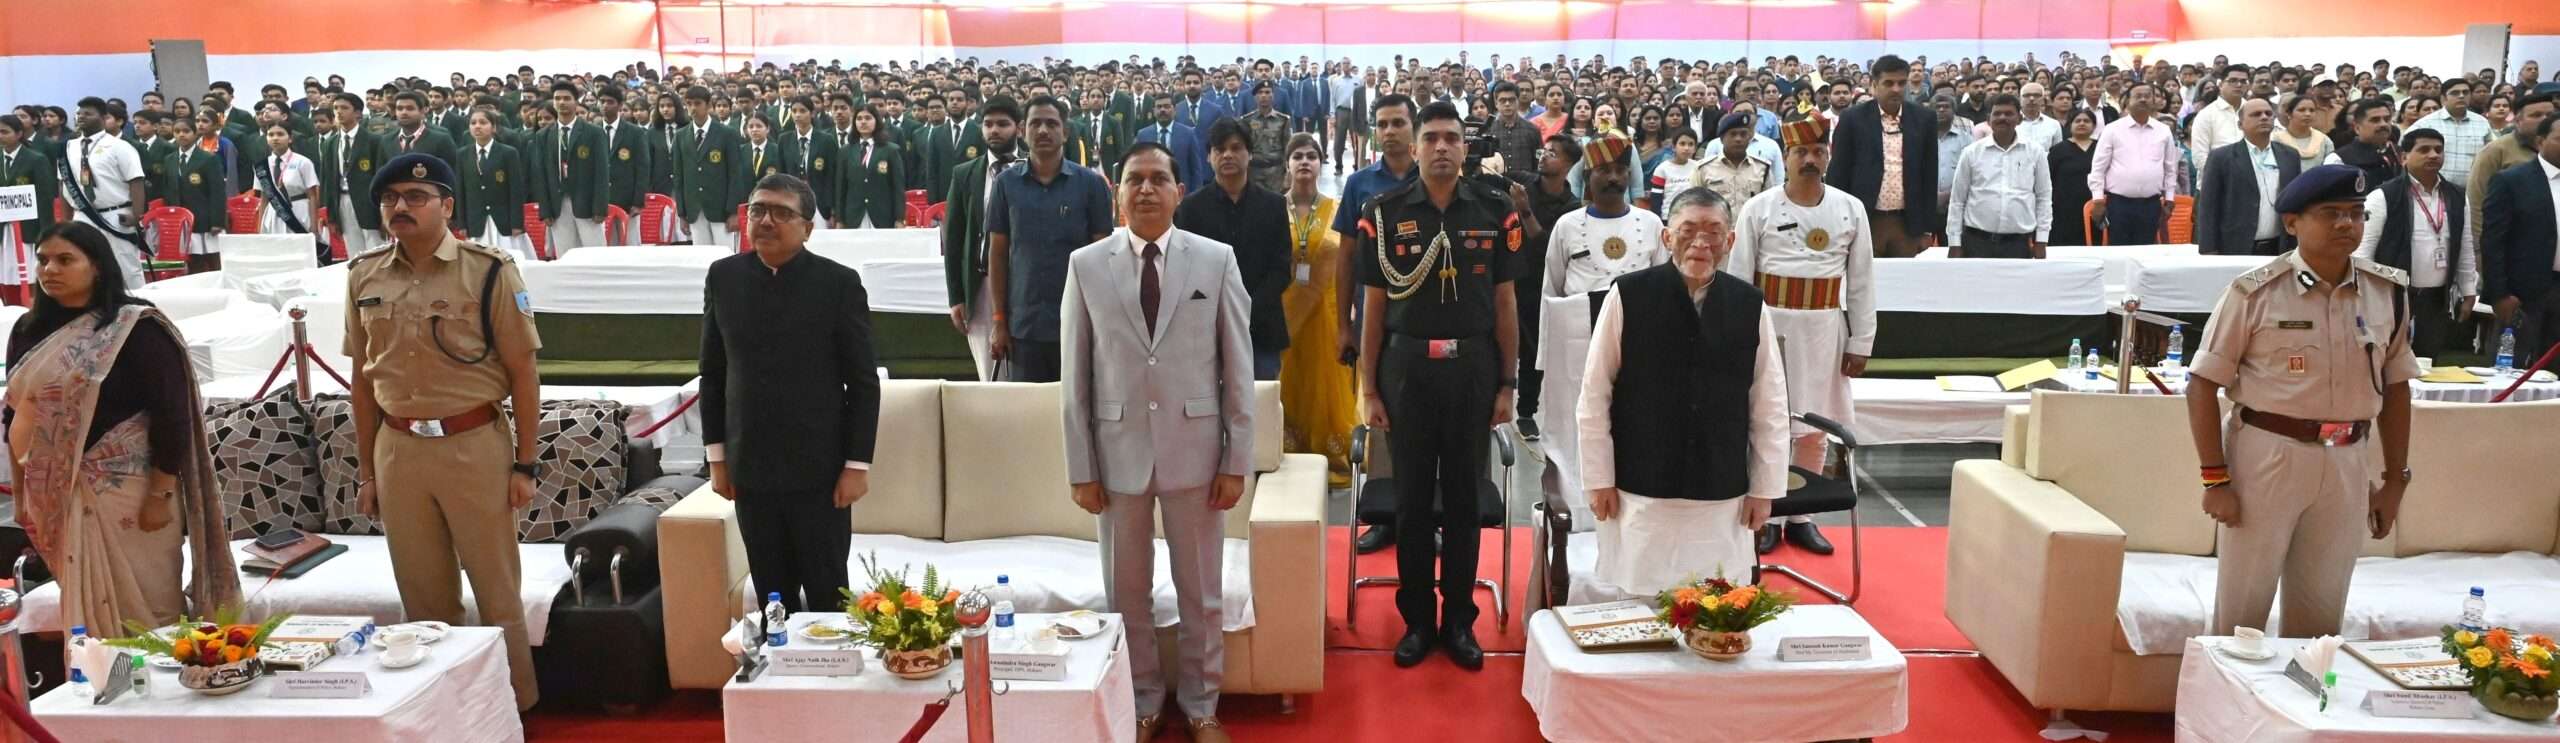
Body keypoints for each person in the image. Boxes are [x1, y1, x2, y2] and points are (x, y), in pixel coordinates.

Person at [1060, 141, 1253, 743]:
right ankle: (1142, 703)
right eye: (1134, 179)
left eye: (1157, 179)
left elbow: (1238, 368)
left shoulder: (1215, 260)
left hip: (1197, 454)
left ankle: (1201, 707)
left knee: (1201, 594)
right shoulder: (1086, 265)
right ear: (1117, 193)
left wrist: (1237, 458)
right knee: (1126, 595)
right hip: (1116, 455)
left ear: (1178, 191)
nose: (1145, 189)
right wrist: (1081, 467)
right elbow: (1075, 376)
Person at [342, 153, 543, 710]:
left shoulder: (489, 270)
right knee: (423, 600)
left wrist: (525, 464)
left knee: (497, 594)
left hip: (472, 445)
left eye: (415, 197)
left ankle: (516, 707)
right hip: (398, 450)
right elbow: (362, 381)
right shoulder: (363, 274)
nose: (400, 207)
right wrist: (367, 472)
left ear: (447, 205)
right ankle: (445, 712)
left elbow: (524, 372)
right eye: (390, 199)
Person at [2187, 164, 2418, 639]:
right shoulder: (2255, 291)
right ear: (2292, 223)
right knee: (2241, 612)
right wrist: (2215, 478)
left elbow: (2397, 388)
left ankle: (2304, 689)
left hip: (2348, 457)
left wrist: (2394, 480)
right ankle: (2226, 689)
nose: (2346, 224)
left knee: (2321, 620)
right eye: (2330, 213)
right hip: (2269, 456)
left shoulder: (2386, 292)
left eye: (2356, 213)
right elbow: (2202, 384)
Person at [3, 222, 240, 637]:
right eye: (43, 260)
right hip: (56, 497)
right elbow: (15, 418)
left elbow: (172, 416)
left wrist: (159, 495)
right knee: (86, 622)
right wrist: (23, 496)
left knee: (152, 614)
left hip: (134, 495)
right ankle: (95, 676)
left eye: (64, 260)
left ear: (97, 266)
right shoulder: (28, 331)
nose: (49, 270)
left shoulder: (137, 328)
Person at [1355, 100, 1521, 672]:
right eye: (1432, 138)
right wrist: (1369, 388)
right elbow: (1373, 308)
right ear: (1415, 147)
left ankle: (1459, 621)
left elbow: (1505, 303)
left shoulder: (1494, 209)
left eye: (1452, 137)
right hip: (1407, 371)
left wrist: (1507, 383)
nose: (1442, 147)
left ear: (1465, 147)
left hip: (1472, 370)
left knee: (1464, 501)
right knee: (1412, 503)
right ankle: (1418, 621)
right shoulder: (1384, 213)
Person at [1576, 186, 1790, 603]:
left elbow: (1769, 402)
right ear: (1667, 237)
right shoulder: (1629, 294)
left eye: (1713, 231)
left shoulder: (1749, 304)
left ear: (1730, 241)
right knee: (1639, 603)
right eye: (1688, 230)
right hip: (1641, 482)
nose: (1700, 242)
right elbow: (1595, 392)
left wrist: (1765, 488)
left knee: (1716, 603)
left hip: (1720, 485)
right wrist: (1598, 479)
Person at [700, 173, 881, 617]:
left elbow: (862, 382)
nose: (766, 221)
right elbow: (713, 374)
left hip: (820, 473)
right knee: (772, 602)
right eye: (758, 210)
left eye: (782, 213)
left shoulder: (838, 283)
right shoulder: (724, 277)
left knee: (828, 601)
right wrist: (718, 459)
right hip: (751, 468)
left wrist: (856, 465)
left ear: (808, 228)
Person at [1730, 118, 1872, 556]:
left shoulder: (1851, 208)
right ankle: (1768, 514)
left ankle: (1802, 518)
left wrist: (1861, 342)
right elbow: (1739, 277)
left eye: (1818, 152)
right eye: (1801, 152)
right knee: (1768, 422)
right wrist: (1738, 336)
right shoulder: (1759, 208)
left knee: (1816, 427)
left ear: (1828, 156)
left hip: (1825, 331)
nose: (1810, 160)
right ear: (1786, 157)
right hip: (1770, 327)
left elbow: (1862, 280)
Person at [987, 95, 1116, 383]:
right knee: (1027, 407)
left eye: (1051, 124)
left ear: (1065, 132)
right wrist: (998, 320)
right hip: (1024, 326)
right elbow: (998, 254)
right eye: (1035, 124)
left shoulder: (1091, 185)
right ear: (1023, 131)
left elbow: (1103, 258)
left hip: (1079, 322)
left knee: (1078, 405)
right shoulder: (1006, 184)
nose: (1043, 130)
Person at [1175, 119, 1294, 379]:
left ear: (1249, 154)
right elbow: (1182, 270)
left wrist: (1246, 308)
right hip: (1205, 328)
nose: (1227, 155)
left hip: (1262, 328)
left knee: (1260, 399)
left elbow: (1282, 268)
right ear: (1209, 157)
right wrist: (1218, 309)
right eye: (1219, 149)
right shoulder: (1190, 209)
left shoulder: (1274, 205)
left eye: (1236, 148)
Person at [1275, 134, 1357, 486]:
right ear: (1288, 164)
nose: (1305, 162)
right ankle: (1286, 453)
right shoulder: (1273, 209)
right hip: (1286, 314)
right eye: (1297, 156)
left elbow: (1350, 263)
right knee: (1290, 380)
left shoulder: (1338, 209)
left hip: (1327, 313)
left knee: (1326, 383)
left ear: (1321, 163)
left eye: (1311, 156)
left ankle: (1331, 454)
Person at [2355, 128, 2478, 358]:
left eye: (2438, 150)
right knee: (2389, 362)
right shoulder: (2383, 196)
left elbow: (2465, 247)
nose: (2433, 155)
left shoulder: (2457, 196)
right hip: (2392, 296)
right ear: (2404, 157)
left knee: (2428, 361)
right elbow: (2363, 253)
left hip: (2436, 298)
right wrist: (2366, 297)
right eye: (2424, 150)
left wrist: (2468, 290)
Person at [941, 96, 1022, 382]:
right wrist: (956, 297)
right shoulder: (965, 174)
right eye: (988, 124)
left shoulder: (1033, 168)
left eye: (1002, 124)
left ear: (1019, 128)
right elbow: (953, 240)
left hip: (1025, 282)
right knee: (989, 374)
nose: (994, 130)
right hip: (981, 283)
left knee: (1026, 373)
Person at [1825, 55, 1937, 258]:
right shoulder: (1853, 118)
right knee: (1864, 276)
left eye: (1901, 83)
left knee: (1904, 276)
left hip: (1907, 223)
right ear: (1874, 85)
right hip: (1865, 219)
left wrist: (1927, 229)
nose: (1896, 89)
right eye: (1889, 83)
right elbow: (1838, 173)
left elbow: (1929, 175)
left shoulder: (1924, 118)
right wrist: (1839, 222)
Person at [1516, 134, 1583, 446]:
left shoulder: (1571, 207)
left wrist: (1524, 211)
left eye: (1552, 153)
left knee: (1533, 350)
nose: (1544, 156)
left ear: (1568, 164)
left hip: (1539, 283)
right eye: (1544, 150)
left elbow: (1546, 245)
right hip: (1507, 277)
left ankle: (1526, 412)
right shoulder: (1523, 182)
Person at [1545, 133, 1666, 299]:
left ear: (1629, 176)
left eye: (1620, 170)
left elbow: (1663, 286)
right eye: (1604, 170)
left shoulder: (1651, 223)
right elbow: (1551, 291)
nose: (1613, 178)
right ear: (1587, 177)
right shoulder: (1566, 224)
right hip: (1581, 315)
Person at [2482, 116, 2560, 357]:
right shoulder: (2511, 181)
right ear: (2540, 141)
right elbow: (2493, 242)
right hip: (2522, 292)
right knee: (2512, 364)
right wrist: (2499, 293)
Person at [1946, 94, 2053, 258]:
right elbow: (1957, 200)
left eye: (2009, 113)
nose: (2003, 118)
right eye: (1997, 114)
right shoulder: (1971, 152)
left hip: (2018, 244)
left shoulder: (2035, 152)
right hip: (1976, 242)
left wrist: (2042, 240)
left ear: (2019, 119)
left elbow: (2043, 198)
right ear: (1988, 119)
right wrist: (1954, 243)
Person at [2195, 98, 2305, 256]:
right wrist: (2209, 249)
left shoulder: (2289, 155)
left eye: (2268, 113)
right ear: (2240, 124)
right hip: (2235, 247)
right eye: (2256, 114)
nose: (2264, 117)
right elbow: (2208, 207)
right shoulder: (2221, 157)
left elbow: (2296, 203)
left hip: (2280, 247)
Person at [62, 99, 149, 287]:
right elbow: (63, 184)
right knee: (86, 268)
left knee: (126, 268)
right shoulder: (68, 147)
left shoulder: (119, 146)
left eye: (88, 113)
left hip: (115, 214)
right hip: (82, 215)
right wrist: (65, 220)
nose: (81, 117)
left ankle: (138, 302)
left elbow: (136, 180)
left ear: (102, 117)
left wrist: (136, 214)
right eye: (78, 113)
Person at [2089, 82, 2179, 245]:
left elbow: (2170, 168)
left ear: (2154, 101)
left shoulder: (2163, 131)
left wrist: (2170, 198)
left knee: (2146, 251)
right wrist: (2098, 200)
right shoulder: (2112, 129)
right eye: (2138, 96)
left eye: (2147, 96)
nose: (2143, 99)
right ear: (2127, 101)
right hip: (2119, 204)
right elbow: (2098, 168)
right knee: (2119, 251)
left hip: (2151, 204)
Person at [531, 82, 606, 257]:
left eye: (567, 98)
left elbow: (602, 173)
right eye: (557, 98)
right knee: (565, 254)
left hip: (587, 203)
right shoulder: (543, 135)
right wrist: (545, 210)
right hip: (557, 203)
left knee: (595, 254)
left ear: (576, 102)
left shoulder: (593, 133)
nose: (562, 102)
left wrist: (600, 207)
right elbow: (540, 175)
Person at [2468, 91, 2556, 241]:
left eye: (2550, 115)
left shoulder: (2556, 150)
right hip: (2511, 239)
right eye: (2536, 115)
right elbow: (2476, 201)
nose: (2545, 120)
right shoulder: (2495, 151)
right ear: (2518, 121)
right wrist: (2479, 246)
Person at [677, 85, 747, 249]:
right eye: (689, 104)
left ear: (708, 105)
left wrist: (733, 211)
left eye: (697, 103)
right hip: (694, 208)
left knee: (725, 254)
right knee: (701, 257)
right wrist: (682, 213)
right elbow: (679, 176)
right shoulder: (681, 136)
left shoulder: (727, 133)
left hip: (721, 208)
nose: (693, 108)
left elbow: (735, 174)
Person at [458, 111, 532, 261]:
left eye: (483, 122)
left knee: (510, 259)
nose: (477, 126)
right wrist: (462, 224)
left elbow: (516, 190)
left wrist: (517, 223)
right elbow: (461, 191)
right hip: (476, 220)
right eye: (473, 123)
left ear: (494, 128)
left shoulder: (508, 153)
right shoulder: (463, 154)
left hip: (504, 220)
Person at [0, 115, 59, 301]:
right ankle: (10, 305)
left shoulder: (36, 159)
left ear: (19, 134)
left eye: (4, 132)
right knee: (5, 271)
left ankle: (34, 305)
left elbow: (45, 198)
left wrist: (46, 233)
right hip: (3, 228)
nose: (0, 136)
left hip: (28, 228)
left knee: (30, 271)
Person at [320, 92, 386, 256]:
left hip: (369, 202)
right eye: (336, 108)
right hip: (342, 200)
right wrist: (331, 215)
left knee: (376, 250)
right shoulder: (330, 143)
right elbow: (328, 181)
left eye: (344, 108)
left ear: (357, 113)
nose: (339, 112)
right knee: (354, 252)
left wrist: (384, 212)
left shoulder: (374, 140)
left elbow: (381, 178)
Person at [162, 113, 228, 274]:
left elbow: (218, 192)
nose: (181, 135)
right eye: (177, 131)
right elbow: (168, 190)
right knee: (192, 262)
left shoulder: (208, 159)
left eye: (186, 131)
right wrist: (170, 218)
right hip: (181, 219)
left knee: (212, 260)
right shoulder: (169, 159)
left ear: (195, 133)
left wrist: (217, 221)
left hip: (204, 219)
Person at [595, 87, 655, 246]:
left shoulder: (634, 132)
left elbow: (643, 168)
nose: (605, 105)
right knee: (607, 245)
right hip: (601, 199)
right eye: (602, 101)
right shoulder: (593, 131)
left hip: (627, 199)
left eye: (610, 102)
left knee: (630, 243)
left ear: (620, 105)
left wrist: (638, 201)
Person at [835, 105, 909, 229]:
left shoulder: (890, 150)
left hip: (883, 215)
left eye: (868, 118)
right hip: (854, 216)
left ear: (877, 121)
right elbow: (841, 188)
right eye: (859, 118)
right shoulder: (845, 151)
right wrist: (840, 219)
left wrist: (899, 218)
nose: (863, 122)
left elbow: (898, 187)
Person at [2414, 77, 2491, 186]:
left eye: (2465, 92)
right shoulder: (2426, 123)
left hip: (2471, 189)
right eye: (2455, 93)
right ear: (2443, 98)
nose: (2461, 96)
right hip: (2435, 189)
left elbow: (2491, 155)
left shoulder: (2482, 123)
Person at [1693, 111, 1773, 211]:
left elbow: (1769, 204)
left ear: (1749, 138)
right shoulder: (1704, 169)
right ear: (1722, 139)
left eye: (1743, 134)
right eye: (1733, 134)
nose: (1738, 139)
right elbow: (1694, 204)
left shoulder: (1762, 168)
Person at [2326, 97, 2405, 185]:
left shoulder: (2400, 153)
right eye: (2375, 120)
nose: (2383, 124)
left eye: (2387, 119)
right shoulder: (2338, 159)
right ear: (2357, 128)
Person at [1136, 94, 1206, 191]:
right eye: (1159, 107)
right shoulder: (1143, 135)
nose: (1162, 110)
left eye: (1167, 106)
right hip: (1152, 190)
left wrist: (1196, 194)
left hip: (1181, 191)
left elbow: (1196, 169)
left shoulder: (1188, 133)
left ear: (1175, 109)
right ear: (1153, 111)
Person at [2189, 65, 2251, 175]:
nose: (2239, 85)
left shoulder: (2252, 111)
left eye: (2243, 81)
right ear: (2221, 84)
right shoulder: (2206, 115)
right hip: (2216, 180)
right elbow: (2199, 158)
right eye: (2233, 81)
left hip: (2250, 178)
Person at [1243, 82, 1292, 193]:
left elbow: (1288, 148)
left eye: (1267, 92)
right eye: (1260, 93)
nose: (1264, 96)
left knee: (1276, 201)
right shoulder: (1247, 120)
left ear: (1273, 96)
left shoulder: (1283, 120)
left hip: (1276, 173)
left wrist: (1289, 171)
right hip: (1254, 172)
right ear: (1255, 97)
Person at [1647, 129, 1704, 212]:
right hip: (1668, 214)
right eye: (1682, 144)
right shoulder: (1662, 169)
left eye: (1691, 144)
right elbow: (1656, 198)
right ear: (1673, 147)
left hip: (1692, 214)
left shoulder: (1698, 167)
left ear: (1695, 148)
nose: (1686, 148)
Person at [2273, 95, 2337, 165]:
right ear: (2289, 113)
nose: (2308, 114)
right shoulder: (2276, 140)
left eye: (2312, 110)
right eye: (2301, 110)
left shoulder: (2324, 141)